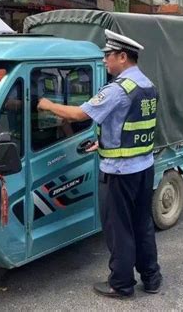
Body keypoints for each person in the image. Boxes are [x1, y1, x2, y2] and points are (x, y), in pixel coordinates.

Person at [37, 29, 162, 299]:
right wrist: (104, 142)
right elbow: (128, 127)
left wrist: (46, 104)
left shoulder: (117, 90)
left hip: (119, 173)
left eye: (108, 56)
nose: (105, 60)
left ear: (122, 56)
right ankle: (151, 277)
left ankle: (121, 284)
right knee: (143, 224)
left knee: (119, 229)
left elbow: (79, 113)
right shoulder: (147, 84)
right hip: (144, 168)